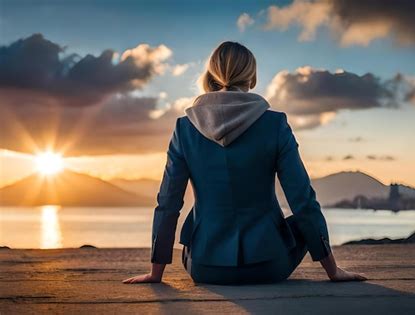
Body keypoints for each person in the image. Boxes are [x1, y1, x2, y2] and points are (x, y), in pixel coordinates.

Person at [123, 41, 366, 285]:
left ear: (212, 75)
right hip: (269, 265)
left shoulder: (184, 128)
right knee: (299, 222)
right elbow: (302, 199)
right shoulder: (275, 124)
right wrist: (333, 272)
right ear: (251, 77)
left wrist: (156, 273)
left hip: (204, 268)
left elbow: (168, 202)